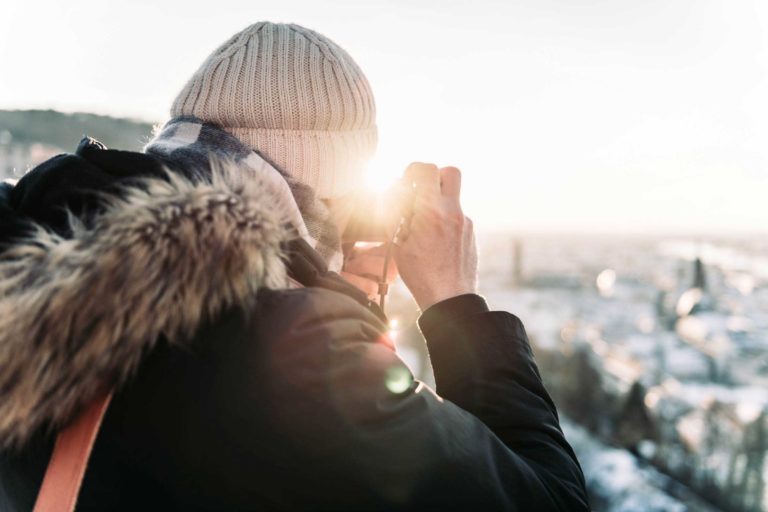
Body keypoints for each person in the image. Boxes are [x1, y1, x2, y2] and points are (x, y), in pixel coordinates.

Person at [0, 22, 589, 511]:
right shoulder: (298, 354)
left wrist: (313, 279)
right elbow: (553, 500)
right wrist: (455, 302)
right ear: (330, 189)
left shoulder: (25, 229)